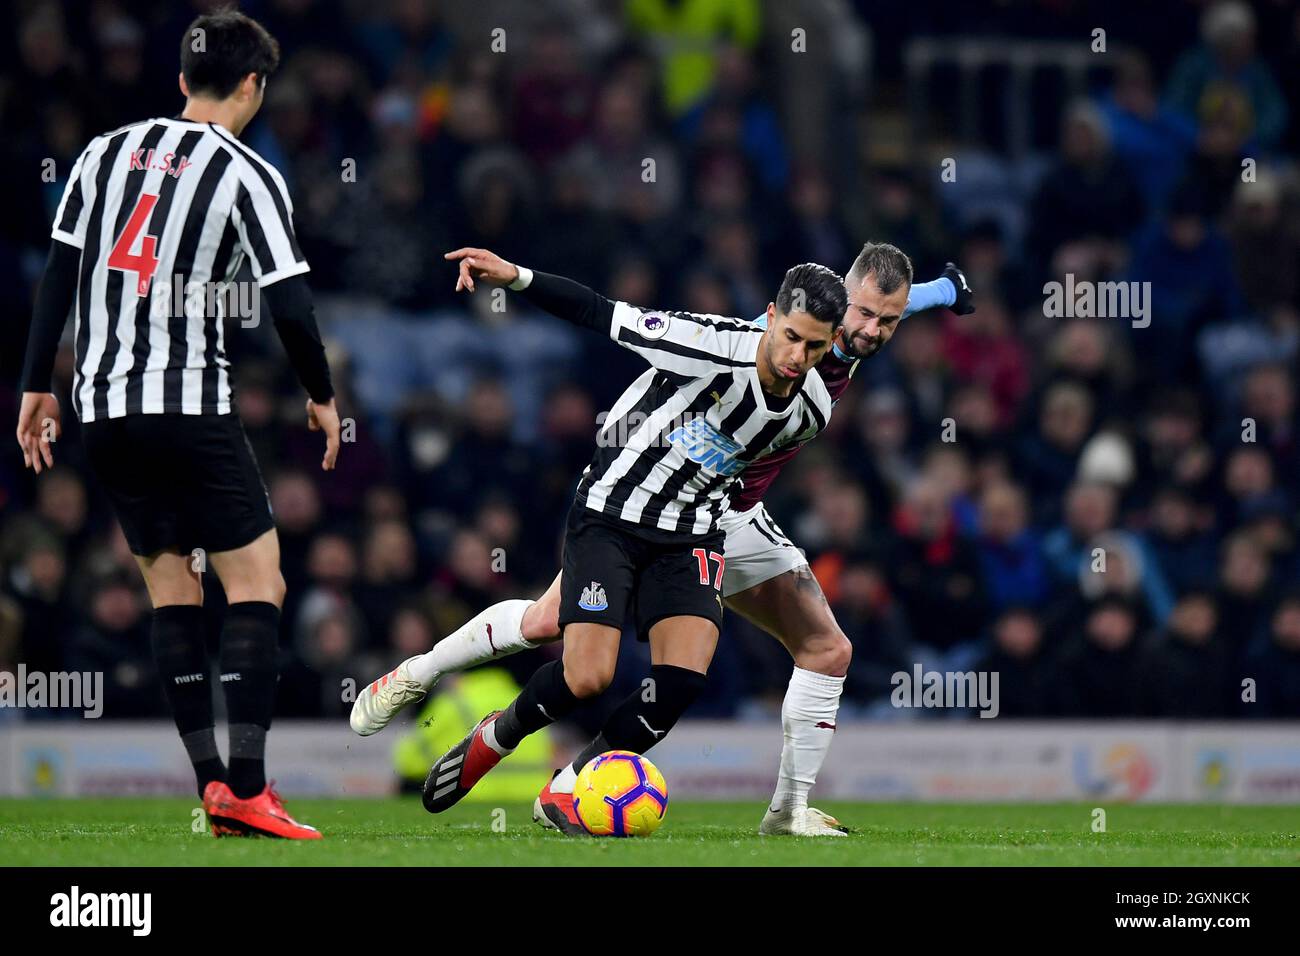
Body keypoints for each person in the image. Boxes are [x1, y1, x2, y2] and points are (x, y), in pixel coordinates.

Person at [354, 246, 975, 835]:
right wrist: (515, 276)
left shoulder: (819, 392)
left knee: (803, 655)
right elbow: (603, 313)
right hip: (622, 508)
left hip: (711, 519)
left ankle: (612, 791)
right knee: (562, 643)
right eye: (862, 315)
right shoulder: (719, 344)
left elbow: (894, 300)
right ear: (779, 315)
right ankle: (422, 676)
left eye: (884, 322)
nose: (868, 330)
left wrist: (947, 290)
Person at [15, 9, 340, 839]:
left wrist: (34, 388)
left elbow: (58, 273)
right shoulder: (249, 174)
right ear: (255, 86)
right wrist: (322, 393)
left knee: (171, 592)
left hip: (105, 409)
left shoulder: (101, 153)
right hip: (188, 403)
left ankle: (214, 789)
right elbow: (290, 302)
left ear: (182, 80)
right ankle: (252, 785)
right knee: (259, 583)